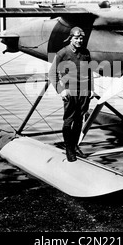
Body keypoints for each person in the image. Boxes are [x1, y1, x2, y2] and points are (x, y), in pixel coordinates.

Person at [49, 27, 95, 162]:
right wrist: (60, 90)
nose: (79, 40)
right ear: (71, 38)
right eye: (76, 38)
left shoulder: (85, 53)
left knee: (79, 120)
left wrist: (91, 89)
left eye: (81, 38)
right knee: (69, 120)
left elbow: (89, 72)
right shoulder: (63, 53)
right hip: (70, 91)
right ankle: (69, 150)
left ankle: (74, 147)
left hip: (84, 92)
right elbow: (52, 74)